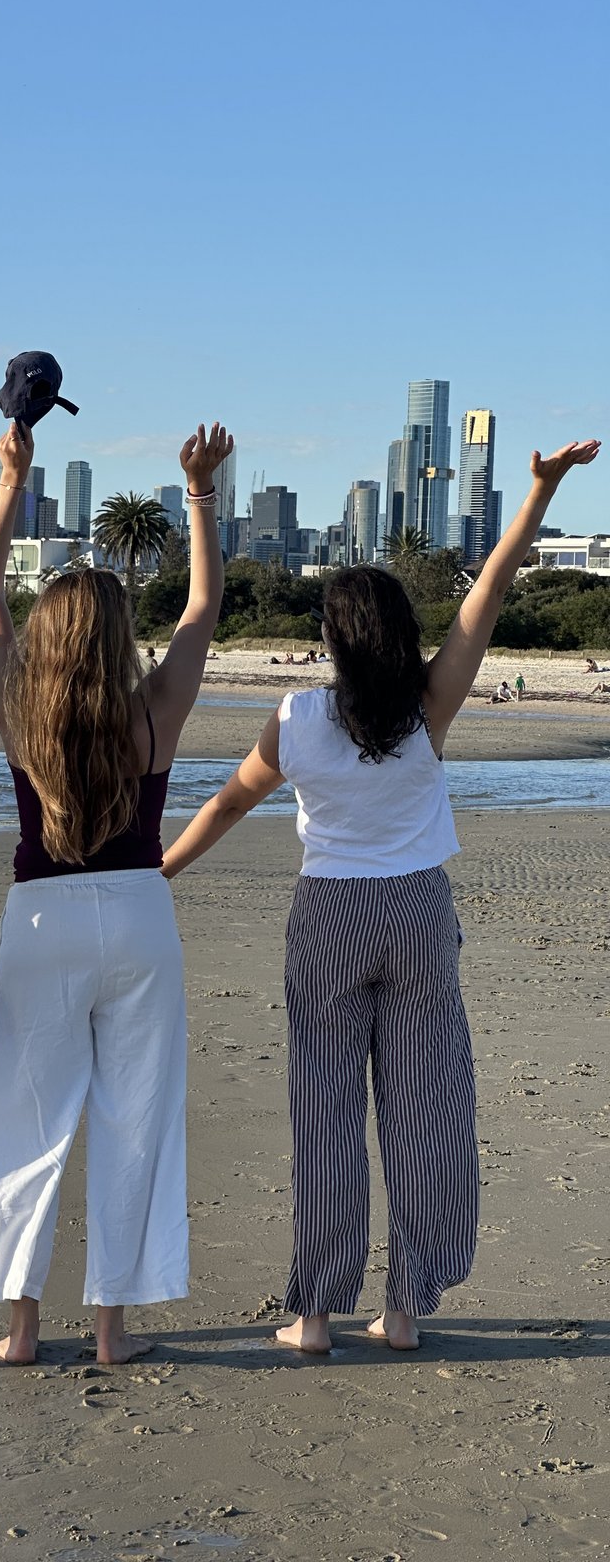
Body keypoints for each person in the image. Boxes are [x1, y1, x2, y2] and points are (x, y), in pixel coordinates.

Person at [162, 436, 599, 1356]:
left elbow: (231, 801)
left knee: (323, 1113)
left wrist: (162, 869)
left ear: (330, 636)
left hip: (326, 916)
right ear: (400, 633)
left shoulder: (296, 718)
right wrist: (539, 491)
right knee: (426, 1106)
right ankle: (402, 1310)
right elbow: (490, 591)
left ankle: (313, 1315)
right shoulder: (427, 706)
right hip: (415, 914)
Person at [0, 416, 233, 1367]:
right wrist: (199, 492)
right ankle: (112, 1328)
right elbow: (203, 610)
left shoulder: (15, 704)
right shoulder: (151, 713)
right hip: (136, 917)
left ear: (49, 637)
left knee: (24, 1118)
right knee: (136, 1119)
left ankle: (21, 1328)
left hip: (39, 918)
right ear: (123, 636)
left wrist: (11, 481)